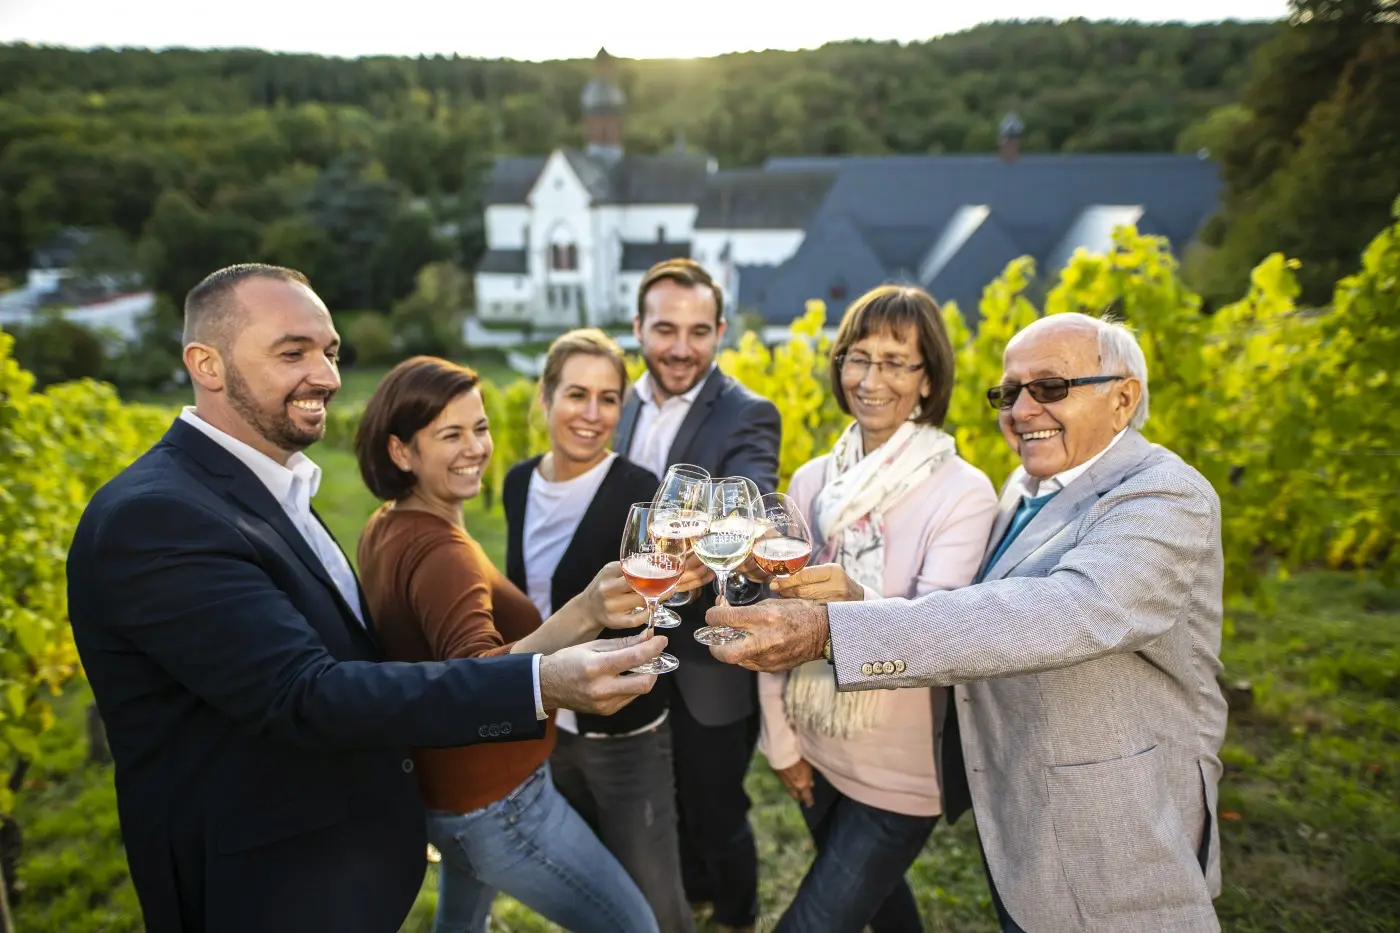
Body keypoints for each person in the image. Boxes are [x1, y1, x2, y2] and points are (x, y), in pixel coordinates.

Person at [65, 264, 668, 933]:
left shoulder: (274, 489)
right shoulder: (157, 516)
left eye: (329, 352)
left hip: (341, 860)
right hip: (271, 890)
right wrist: (543, 680)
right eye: (292, 351)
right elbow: (304, 693)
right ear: (206, 363)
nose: (324, 374)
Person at [704, 312, 1229, 933]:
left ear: (1122, 398)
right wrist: (855, 604)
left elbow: (1066, 611)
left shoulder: (1164, 496)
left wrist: (831, 630)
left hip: (1112, 823)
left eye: (1050, 387)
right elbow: (975, 613)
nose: (1022, 409)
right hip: (1023, 810)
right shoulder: (1029, 486)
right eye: (1009, 394)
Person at [355, 354, 696, 933]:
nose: (475, 447)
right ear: (401, 451)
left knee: (461, 924)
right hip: (500, 803)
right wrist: (589, 609)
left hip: (446, 793)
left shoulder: (386, 525)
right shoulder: (443, 552)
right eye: (451, 435)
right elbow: (478, 681)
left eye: (480, 428)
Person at [752, 286, 997, 932]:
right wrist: (780, 740)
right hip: (816, 745)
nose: (871, 378)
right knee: (886, 913)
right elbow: (778, 619)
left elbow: (942, 631)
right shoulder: (810, 481)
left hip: (901, 772)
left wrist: (853, 600)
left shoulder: (964, 493)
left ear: (928, 379)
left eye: (896, 361)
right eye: (858, 357)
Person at [503, 329, 698, 933]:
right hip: (542, 728)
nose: (592, 415)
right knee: (589, 905)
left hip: (623, 734)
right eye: (576, 394)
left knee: (656, 907)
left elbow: (675, 598)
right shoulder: (517, 483)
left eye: (609, 398)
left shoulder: (643, 492)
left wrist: (688, 581)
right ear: (545, 396)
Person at [611, 258, 781, 933]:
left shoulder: (746, 412)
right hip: (637, 638)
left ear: (719, 332)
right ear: (637, 328)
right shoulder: (622, 402)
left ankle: (737, 916)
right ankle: (693, 896)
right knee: (661, 798)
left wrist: (713, 553)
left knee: (717, 804)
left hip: (707, 657)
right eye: (665, 329)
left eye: (699, 330)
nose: (681, 347)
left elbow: (754, 500)